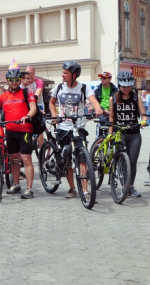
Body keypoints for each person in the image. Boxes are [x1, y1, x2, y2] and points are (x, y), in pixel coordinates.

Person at [49, 61, 103, 198]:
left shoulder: (84, 88)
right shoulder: (59, 87)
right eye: (63, 73)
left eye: (65, 73)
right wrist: (55, 116)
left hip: (78, 127)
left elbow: (93, 100)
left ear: (74, 75)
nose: (62, 75)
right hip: (63, 127)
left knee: (82, 159)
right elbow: (51, 102)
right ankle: (72, 188)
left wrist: (97, 109)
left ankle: (85, 190)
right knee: (66, 160)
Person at [0, 68, 37, 198]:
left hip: (25, 131)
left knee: (26, 159)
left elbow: (33, 107)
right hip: (10, 131)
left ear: (20, 80)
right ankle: (16, 185)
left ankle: (29, 189)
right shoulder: (3, 95)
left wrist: (28, 116)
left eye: (17, 80)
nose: (14, 82)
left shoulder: (26, 92)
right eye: (11, 80)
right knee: (14, 160)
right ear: (8, 81)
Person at [108, 72, 147, 197]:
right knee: (123, 159)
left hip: (134, 133)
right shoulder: (113, 99)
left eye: (129, 86)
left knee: (133, 161)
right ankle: (124, 184)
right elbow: (111, 118)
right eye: (124, 86)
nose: (126, 89)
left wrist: (144, 121)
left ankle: (130, 186)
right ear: (119, 85)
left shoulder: (137, 98)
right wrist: (110, 134)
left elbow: (143, 113)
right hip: (119, 133)